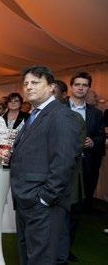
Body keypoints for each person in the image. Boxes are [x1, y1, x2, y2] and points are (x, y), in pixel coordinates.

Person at [0, 65, 83, 265]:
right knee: (29, 254)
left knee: (41, 258)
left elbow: (64, 161)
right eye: (26, 83)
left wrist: (45, 197)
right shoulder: (34, 115)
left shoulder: (61, 115)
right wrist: (10, 157)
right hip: (28, 199)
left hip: (42, 201)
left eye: (35, 82)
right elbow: (35, 152)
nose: (28, 87)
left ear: (52, 87)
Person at [61, 72, 105, 263]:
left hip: (84, 167)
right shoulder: (58, 108)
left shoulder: (96, 113)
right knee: (59, 209)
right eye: (77, 84)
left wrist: (92, 141)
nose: (80, 88)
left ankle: (66, 248)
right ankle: (53, 245)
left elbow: (101, 137)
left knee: (76, 210)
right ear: (71, 86)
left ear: (88, 88)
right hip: (61, 167)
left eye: (84, 85)